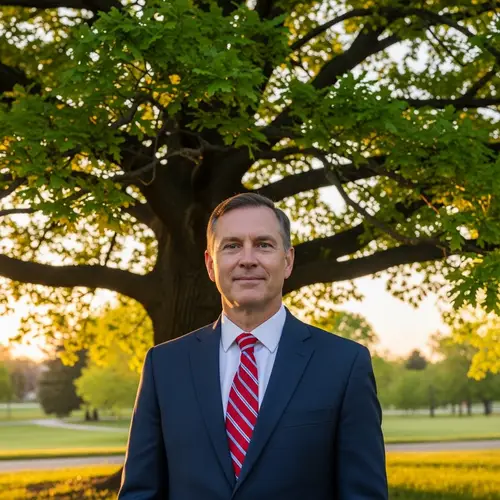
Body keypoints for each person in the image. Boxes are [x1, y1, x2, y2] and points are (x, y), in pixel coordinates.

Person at [118, 193, 388, 499]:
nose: (248, 259)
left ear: (287, 261)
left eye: (263, 244)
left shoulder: (344, 364)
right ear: (210, 264)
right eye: (232, 246)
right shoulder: (164, 366)